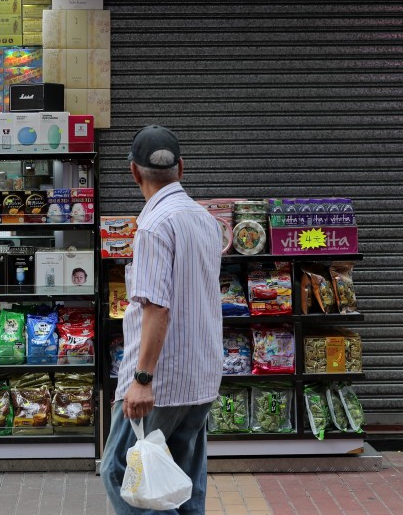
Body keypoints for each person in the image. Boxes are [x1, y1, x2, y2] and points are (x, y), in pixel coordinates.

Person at [100, 125, 223, 515]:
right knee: (184, 479)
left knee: (121, 472)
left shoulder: (153, 226)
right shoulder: (205, 220)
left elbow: (157, 308)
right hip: (201, 375)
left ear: (134, 173)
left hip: (161, 382)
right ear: (181, 168)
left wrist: (141, 380)